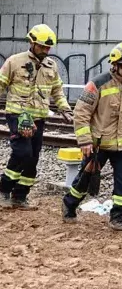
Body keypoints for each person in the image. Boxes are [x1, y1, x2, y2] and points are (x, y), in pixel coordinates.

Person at [61, 42, 122, 235]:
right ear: (115, 65)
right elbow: (81, 113)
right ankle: (69, 205)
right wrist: (85, 141)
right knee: (84, 179)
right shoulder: (98, 84)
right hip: (99, 145)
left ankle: (118, 219)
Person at [0, 24, 72, 210]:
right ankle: (3, 190)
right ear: (32, 43)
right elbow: (1, 83)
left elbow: (57, 89)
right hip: (18, 115)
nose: (45, 51)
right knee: (23, 153)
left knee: (33, 159)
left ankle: (20, 197)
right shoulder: (14, 61)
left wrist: (64, 108)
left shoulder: (51, 65)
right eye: (42, 47)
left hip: (38, 118)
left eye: (48, 48)